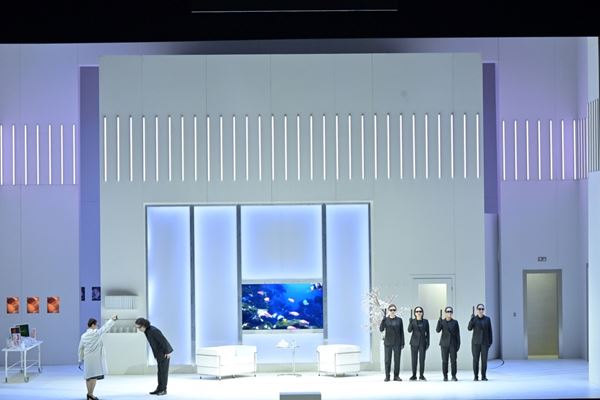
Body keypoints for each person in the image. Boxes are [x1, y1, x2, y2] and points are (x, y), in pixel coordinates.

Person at [78, 315, 118, 400]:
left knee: (88, 377)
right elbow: (105, 327)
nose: (97, 326)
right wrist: (112, 320)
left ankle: (89, 394)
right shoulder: (96, 333)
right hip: (95, 359)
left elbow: (80, 348)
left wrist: (80, 359)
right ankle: (91, 394)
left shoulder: (83, 336)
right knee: (94, 376)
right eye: (97, 325)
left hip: (87, 359)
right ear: (93, 325)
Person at [135, 317, 173, 396]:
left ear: (143, 325)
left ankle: (163, 390)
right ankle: (159, 388)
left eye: (139, 327)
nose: (138, 329)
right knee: (160, 372)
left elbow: (163, 340)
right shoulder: (147, 331)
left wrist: (168, 352)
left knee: (163, 372)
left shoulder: (153, 330)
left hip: (164, 353)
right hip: (159, 354)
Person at [379, 303, 405, 381]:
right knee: (387, 360)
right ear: (388, 311)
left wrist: (402, 343)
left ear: (396, 311)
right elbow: (381, 329)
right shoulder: (385, 320)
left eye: (394, 310)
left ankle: (396, 376)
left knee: (397, 360)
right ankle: (387, 376)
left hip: (397, 343)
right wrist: (383, 320)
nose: (392, 311)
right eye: (391, 310)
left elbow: (402, 332)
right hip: (388, 343)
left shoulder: (399, 320)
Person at [468, 303, 492, 381]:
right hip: (475, 343)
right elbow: (469, 328)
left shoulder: (487, 319)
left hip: (485, 343)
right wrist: (471, 320)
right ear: (477, 310)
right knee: (475, 360)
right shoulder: (474, 319)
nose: (481, 310)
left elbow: (490, 331)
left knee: (484, 361)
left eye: (482, 309)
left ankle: (483, 376)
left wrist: (490, 342)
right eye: (479, 309)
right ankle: (475, 376)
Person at [436, 306, 460, 381]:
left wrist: (458, 345)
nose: (449, 313)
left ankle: (454, 376)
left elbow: (458, 334)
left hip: (453, 344)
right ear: (445, 313)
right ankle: (445, 376)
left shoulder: (455, 322)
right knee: (444, 361)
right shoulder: (442, 321)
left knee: (453, 361)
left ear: (452, 313)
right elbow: (437, 330)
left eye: (450, 311)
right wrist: (439, 322)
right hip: (444, 344)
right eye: (448, 311)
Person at [407, 306, 429, 381]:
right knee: (414, 360)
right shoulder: (413, 321)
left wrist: (428, 343)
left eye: (420, 311)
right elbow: (409, 330)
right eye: (417, 311)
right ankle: (414, 375)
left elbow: (428, 333)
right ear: (415, 313)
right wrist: (410, 323)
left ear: (422, 313)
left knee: (422, 360)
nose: (418, 313)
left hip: (422, 343)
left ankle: (421, 375)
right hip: (414, 343)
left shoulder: (425, 321)